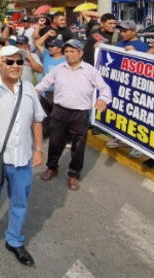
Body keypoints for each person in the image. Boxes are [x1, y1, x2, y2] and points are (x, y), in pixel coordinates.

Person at [0, 45, 45, 266]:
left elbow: (37, 120)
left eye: (19, 62)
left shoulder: (30, 88)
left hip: (22, 156)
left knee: (19, 202)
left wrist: (39, 149)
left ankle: (14, 240)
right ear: (1, 63)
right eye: (10, 62)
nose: (15, 66)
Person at [36, 39, 111, 190]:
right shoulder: (58, 68)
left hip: (80, 114)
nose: (69, 55)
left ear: (80, 53)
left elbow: (104, 88)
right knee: (55, 142)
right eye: (67, 52)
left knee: (78, 146)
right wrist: (34, 92)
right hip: (59, 111)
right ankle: (52, 167)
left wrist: (103, 99)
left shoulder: (90, 70)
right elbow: (44, 83)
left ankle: (74, 175)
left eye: (72, 51)